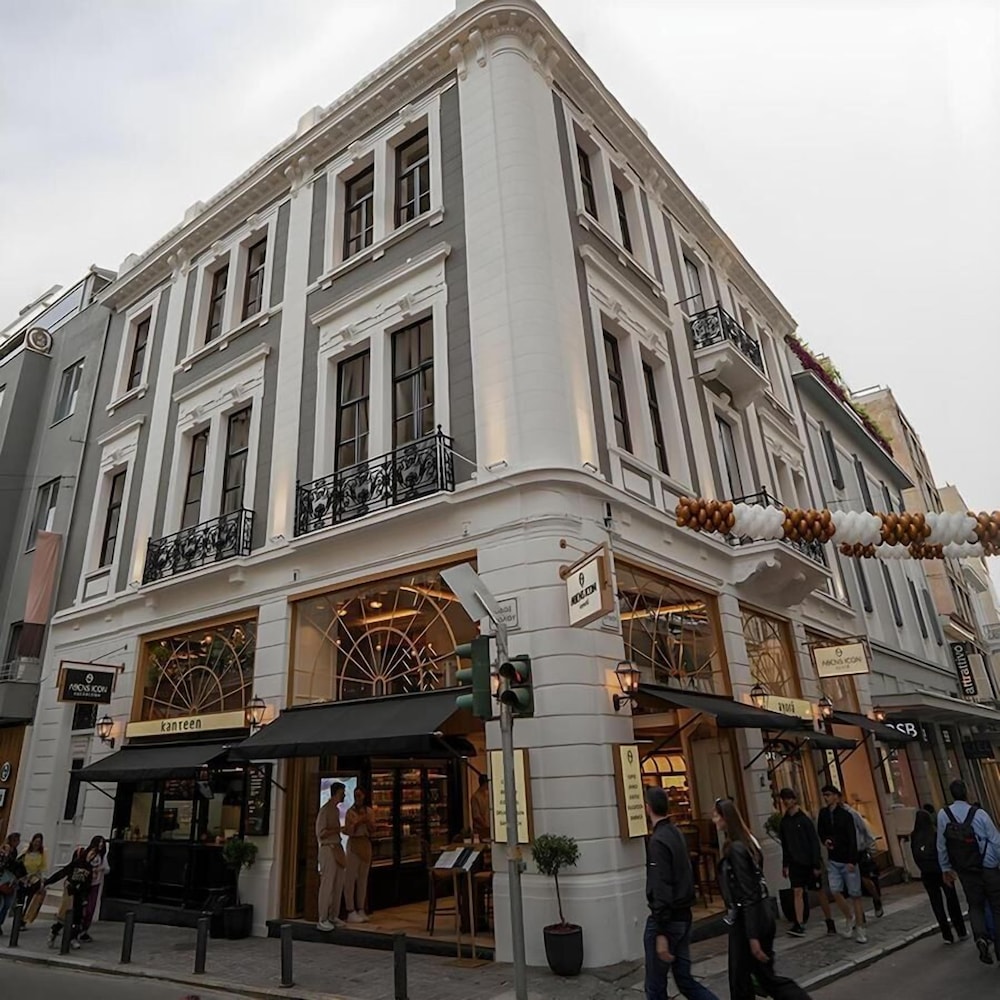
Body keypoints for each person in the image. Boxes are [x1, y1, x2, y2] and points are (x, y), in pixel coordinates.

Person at [714, 798, 812, 1000]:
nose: (713, 819)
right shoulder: (747, 843)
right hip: (755, 916)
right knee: (755, 978)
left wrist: (752, 936)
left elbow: (749, 892)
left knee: (753, 979)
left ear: (725, 818)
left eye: (716, 815)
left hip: (748, 919)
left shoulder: (737, 849)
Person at [642, 786, 720, 1000]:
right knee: (685, 980)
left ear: (648, 808)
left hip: (668, 920)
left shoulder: (658, 841)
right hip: (684, 916)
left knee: (655, 986)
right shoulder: (676, 833)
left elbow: (661, 886)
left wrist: (660, 931)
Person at [937, 779, 1000, 965]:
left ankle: (980, 937)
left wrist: (945, 868)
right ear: (966, 792)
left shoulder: (943, 815)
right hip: (988, 867)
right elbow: (996, 841)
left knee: (975, 906)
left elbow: (941, 844)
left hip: (965, 870)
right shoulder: (979, 813)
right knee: (997, 907)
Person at [816, 785, 866, 943]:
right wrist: (826, 840)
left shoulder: (846, 815)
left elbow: (852, 838)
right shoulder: (823, 814)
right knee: (835, 890)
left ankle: (860, 928)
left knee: (855, 894)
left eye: (828, 795)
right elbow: (821, 831)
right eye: (824, 795)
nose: (826, 798)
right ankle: (849, 916)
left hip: (847, 859)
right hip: (833, 859)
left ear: (836, 796)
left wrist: (852, 860)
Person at [910, 804, 966, 944]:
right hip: (941, 870)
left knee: (936, 904)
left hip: (926, 874)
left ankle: (947, 935)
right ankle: (961, 931)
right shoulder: (935, 832)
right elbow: (943, 850)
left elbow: (914, 856)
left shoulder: (914, 836)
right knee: (952, 900)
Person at [777, 789, 822, 937]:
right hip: (794, 862)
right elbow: (785, 845)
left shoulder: (804, 820)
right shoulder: (784, 822)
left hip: (808, 861)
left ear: (794, 800)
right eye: (784, 799)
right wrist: (785, 864)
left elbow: (813, 842)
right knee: (797, 891)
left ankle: (828, 920)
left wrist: (816, 863)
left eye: (789, 798)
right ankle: (799, 923)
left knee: (818, 891)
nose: (786, 802)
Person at [44, 844, 98, 949]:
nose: (92, 856)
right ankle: (53, 932)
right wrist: (48, 882)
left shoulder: (89, 868)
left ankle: (73, 938)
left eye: (94, 855)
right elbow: (62, 873)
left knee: (78, 917)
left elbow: (88, 885)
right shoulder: (76, 863)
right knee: (64, 916)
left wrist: (85, 897)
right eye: (91, 853)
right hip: (70, 893)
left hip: (80, 895)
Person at [316, 782, 347, 931]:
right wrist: (338, 829)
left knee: (338, 884)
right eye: (342, 793)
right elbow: (321, 833)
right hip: (328, 848)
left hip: (337, 848)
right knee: (327, 884)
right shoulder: (325, 810)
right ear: (336, 793)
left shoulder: (335, 810)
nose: (344, 795)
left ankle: (333, 915)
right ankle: (322, 918)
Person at [344, 788, 374, 924]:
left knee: (363, 879)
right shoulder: (349, 812)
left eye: (360, 795)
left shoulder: (369, 811)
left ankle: (361, 908)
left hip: (365, 844)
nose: (358, 798)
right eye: (356, 795)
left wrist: (367, 822)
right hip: (354, 844)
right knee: (350, 879)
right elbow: (348, 830)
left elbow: (373, 829)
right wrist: (357, 823)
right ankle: (350, 909)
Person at [80, 835, 110, 941]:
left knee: (90, 908)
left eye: (102, 843)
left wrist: (100, 869)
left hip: (95, 884)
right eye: (99, 842)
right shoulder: (87, 853)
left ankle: (84, 930)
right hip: (85, 884)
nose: (101, 845)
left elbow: (107, 869)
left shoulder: (102, 856)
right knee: (82, 907)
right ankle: (77, 928)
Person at [20, 833, 48, 925]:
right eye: (36, 841)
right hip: (24, 878)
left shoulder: (41, 854)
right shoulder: (25, 852)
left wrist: (42, 881)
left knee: (30, 900)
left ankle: (24, 918)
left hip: (35, 879)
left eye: (39, 842)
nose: (37, 844)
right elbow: (19, 863)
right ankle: (18, 916)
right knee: (21, 899)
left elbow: (42, 868)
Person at [471, 773, 491, 841]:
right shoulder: (475, 797)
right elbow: (476, 815)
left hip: (489, 826)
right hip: (480, 828)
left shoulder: (488, 795)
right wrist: (485, 826)